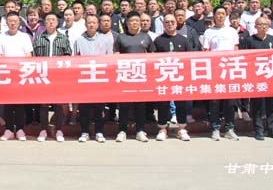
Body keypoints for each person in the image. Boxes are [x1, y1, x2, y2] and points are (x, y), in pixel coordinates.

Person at [114, 11, 156, 142]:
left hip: (141, 76)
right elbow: (116, 55)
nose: (135, 23)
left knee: (140, 105)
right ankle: (122, 130)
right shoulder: (121, 38)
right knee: (124, 105)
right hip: (125, 75)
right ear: (127, 23)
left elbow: (152, 56)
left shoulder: (146, 37)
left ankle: (140, 130)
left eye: (137, 21)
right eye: (132, 21)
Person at [0, 11, 33, 141]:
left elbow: (29, 55)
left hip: (21, 74)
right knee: (8, 104)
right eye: (10, 21)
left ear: (19, 22)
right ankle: (9, 129)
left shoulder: (25, 37)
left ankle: (20, 129)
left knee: (20, 104)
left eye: (15, 21)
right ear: (6, 22)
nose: (13, 23)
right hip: (7, 75)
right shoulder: (1, 37)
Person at [203, 5, 240, 141]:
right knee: (214, 102)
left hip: (229, 70)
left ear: (226, 16)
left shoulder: (232, 31)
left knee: (230, 102)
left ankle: (230, 128)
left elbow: (236, 49)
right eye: (218, 13)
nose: (220, 16)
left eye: (223, 14)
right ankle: (215, 128)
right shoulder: (208, 32)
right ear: (214, 15)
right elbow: (206, 51)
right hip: (214, 71)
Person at [153, 13, 192, 142]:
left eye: (172, 22)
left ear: (176, 23)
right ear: (163, 24)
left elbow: (190, 58)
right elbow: (152, 59)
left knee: (181, 104)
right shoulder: (158, 40)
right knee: (163, 104)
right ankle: (163, 128)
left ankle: (181, 128)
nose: (170, 24)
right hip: (163, 77)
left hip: (180, 77)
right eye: (167, 22)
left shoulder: (183, 40)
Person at [33, 12, 71, 142]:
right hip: (43, 75)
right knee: (43, 105)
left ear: (57, 22)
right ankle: (44, 129)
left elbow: (68, 55)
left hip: (58, 76)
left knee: (58, 104)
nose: (50, 22)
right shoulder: (39, 38)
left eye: (53, 20)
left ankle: (59, 130)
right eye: (48, 19)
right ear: (44, 22)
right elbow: (34, 57)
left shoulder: (63, 38)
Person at [74, 14, 113, 143]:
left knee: (99, 108)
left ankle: (99, 132)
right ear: (85, 24)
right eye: (89, 22)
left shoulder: (105, 40)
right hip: (84, 78)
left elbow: (110, 59)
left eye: (94, 22)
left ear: (98, 24)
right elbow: (75, 59)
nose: (91, 25)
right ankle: (84, 131)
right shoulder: (79, 40)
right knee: (84, 107)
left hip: (100, 78)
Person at [245, 17, 273, 141]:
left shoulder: (272, 39)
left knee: (271, 105)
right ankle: (258, 130)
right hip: (256, 77)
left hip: (270, 76)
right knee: (257, 105)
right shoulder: (250, 40)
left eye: (266, 24)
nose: (263, 26)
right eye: (260, 24)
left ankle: (272, 129)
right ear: (255, 26)